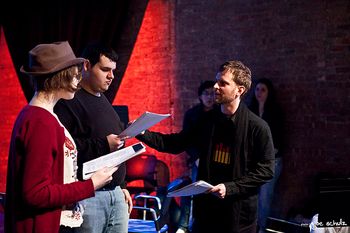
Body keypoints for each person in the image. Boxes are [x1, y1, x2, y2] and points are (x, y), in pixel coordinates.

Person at [136, 60, 275, 233]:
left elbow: (266, 170)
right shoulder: (207, 121)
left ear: (240, 90)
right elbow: (175, 143)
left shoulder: (257, 127)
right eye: (217, 81)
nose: (216, 86)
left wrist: (230, 187)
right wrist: (141, 132)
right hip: (206, 213)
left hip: (238, 217)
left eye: (223, 83)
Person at [5, 41, 118, 233]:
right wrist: (90, 185)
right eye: (73, 75)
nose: (77, 81)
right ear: (59, 77)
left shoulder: (44, 116)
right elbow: (35, 193)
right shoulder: (40, 121)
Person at [54, 43, 132, 233]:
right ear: (87, 66)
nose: (111, 76)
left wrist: (121, 185)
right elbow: (65, 151)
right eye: (105, 69)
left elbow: (114, 152)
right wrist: (105, 144)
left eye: (113, 70)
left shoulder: (102, 98)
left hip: (115, 194)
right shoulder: (69, 101)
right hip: (89, 195)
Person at [176, 80, 217, 233]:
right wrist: (197, 158)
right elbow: (187, 140)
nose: (210, 97)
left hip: (216, 161)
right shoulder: (192, 114)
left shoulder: (220, 114)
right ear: (200, 96)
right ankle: (187, 226)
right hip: (197, 161)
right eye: (206, 93)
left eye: (213, 93)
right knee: (195, 192)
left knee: (213, 194)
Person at [248, 78, 284, 233]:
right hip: (253, 161)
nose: (259, 93)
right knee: (251, 197)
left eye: (263, 90)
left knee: (265, 198)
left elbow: (280, 137)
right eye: (257, 89)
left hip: (271, 161)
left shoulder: (275, 112)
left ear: (269, 92)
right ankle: (252, 227)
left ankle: (261, 228)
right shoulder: (250, 111)